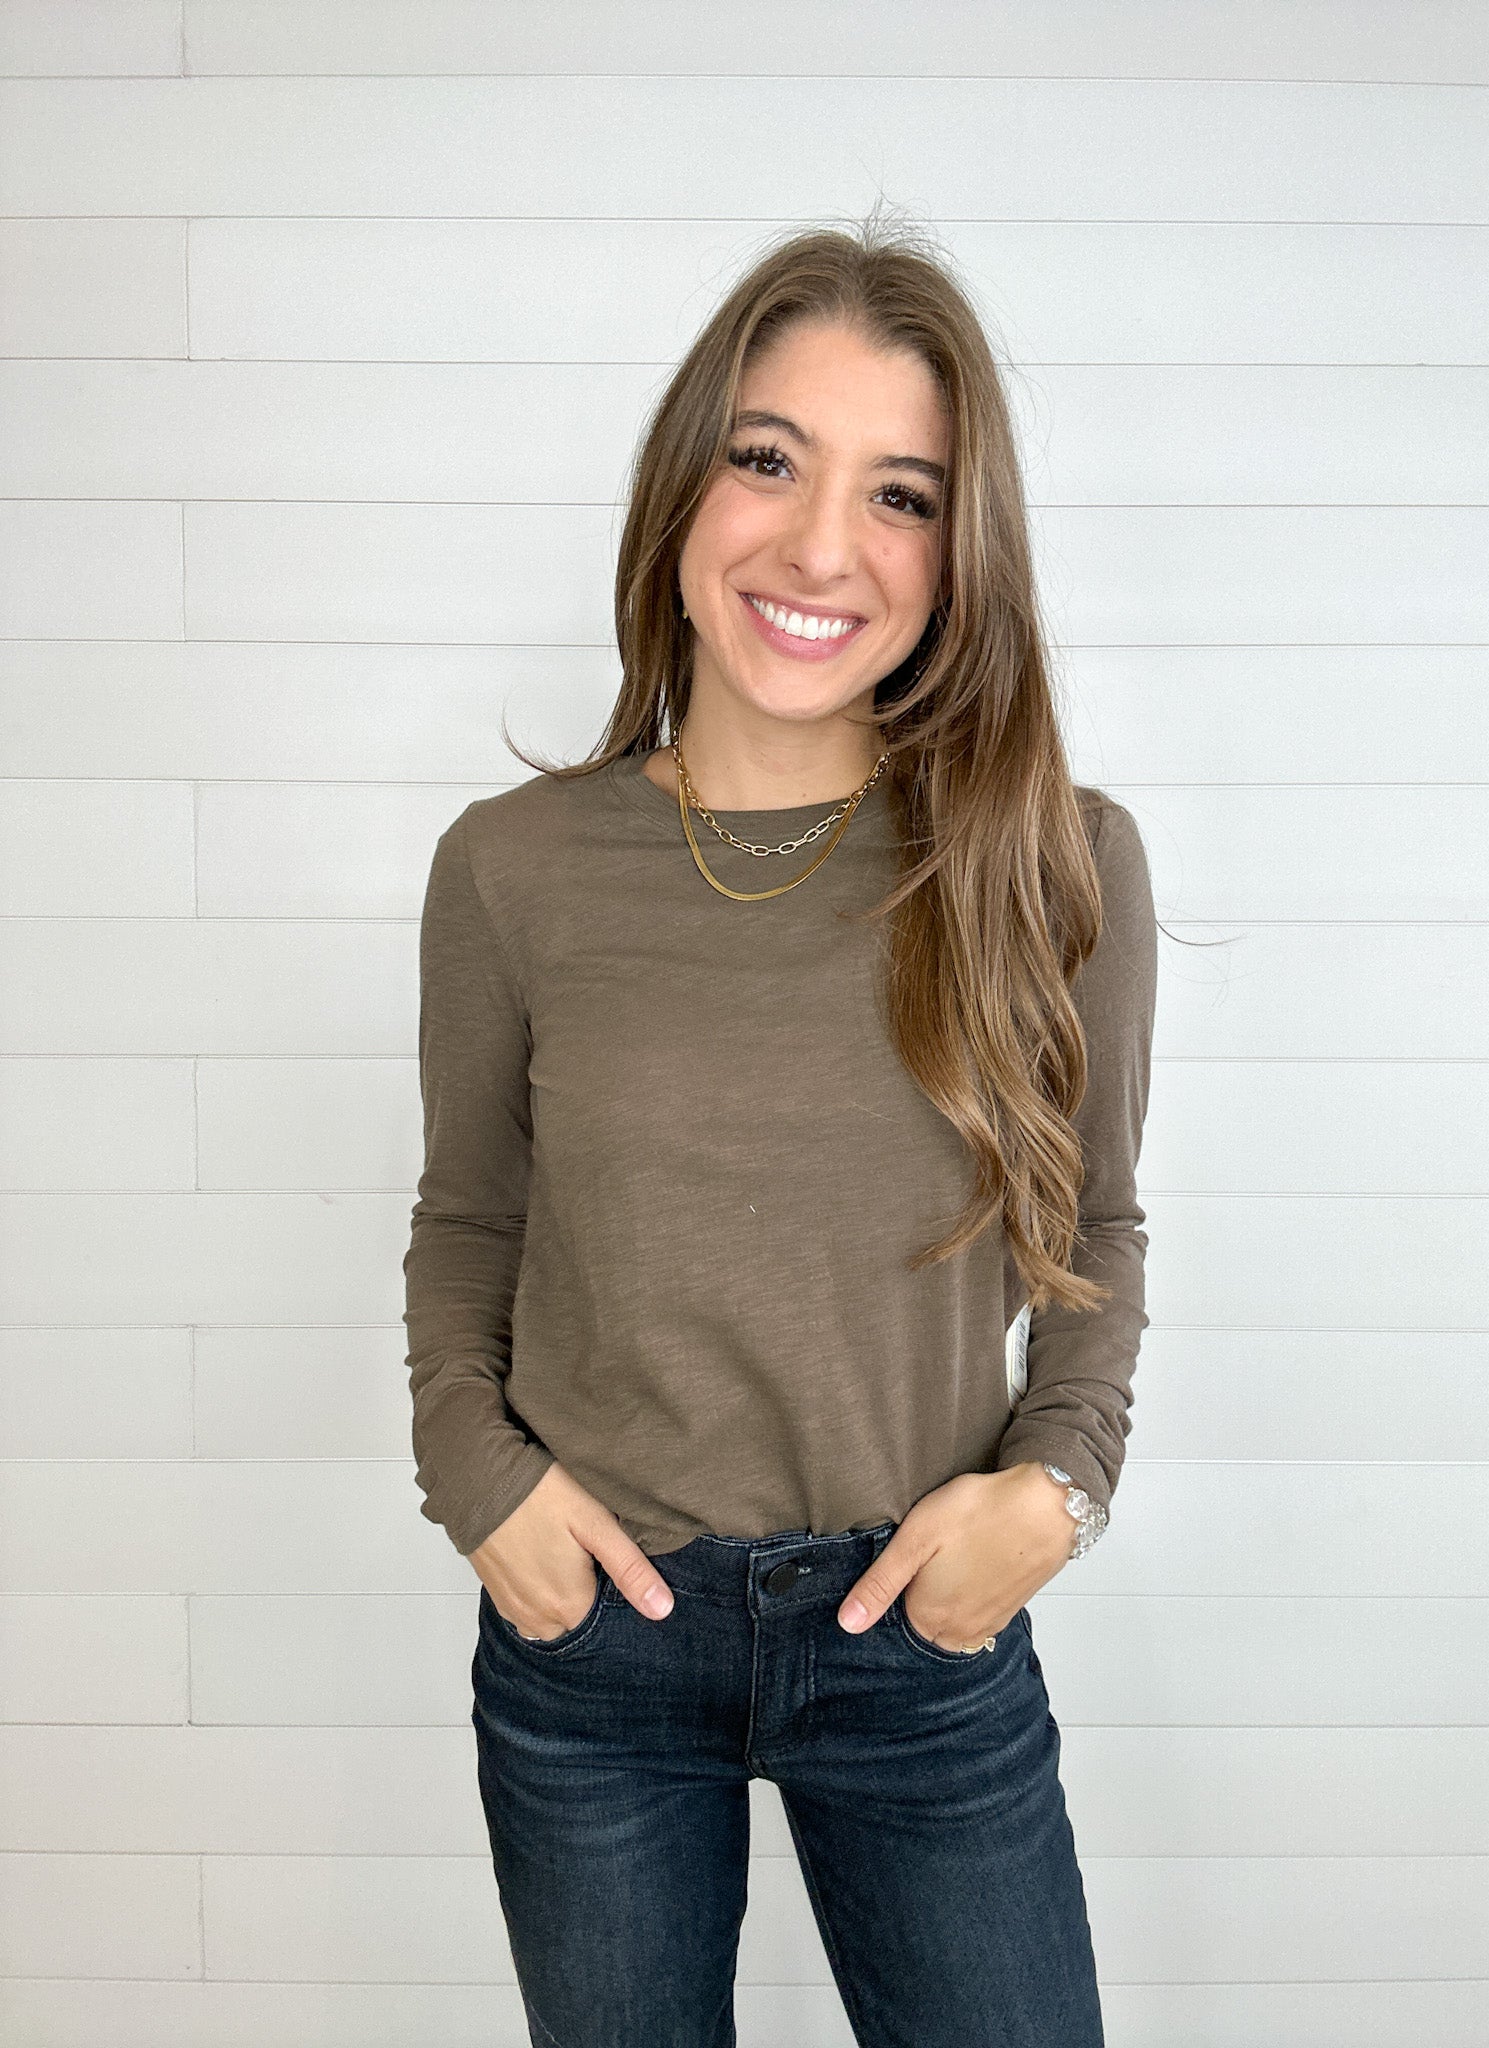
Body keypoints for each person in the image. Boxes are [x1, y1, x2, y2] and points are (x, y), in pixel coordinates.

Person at [402, 215, 1157, 2048]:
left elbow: (1097, 1230)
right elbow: (471, 1226)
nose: (824, 546)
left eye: (903, 496)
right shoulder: (512, 871)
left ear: (957, 562)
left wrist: (1057, 1491)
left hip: (919, 1632)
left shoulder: (1051, 863)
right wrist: (472, 1477)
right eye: (768, 460)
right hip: (596, 1644)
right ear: (683, 493)